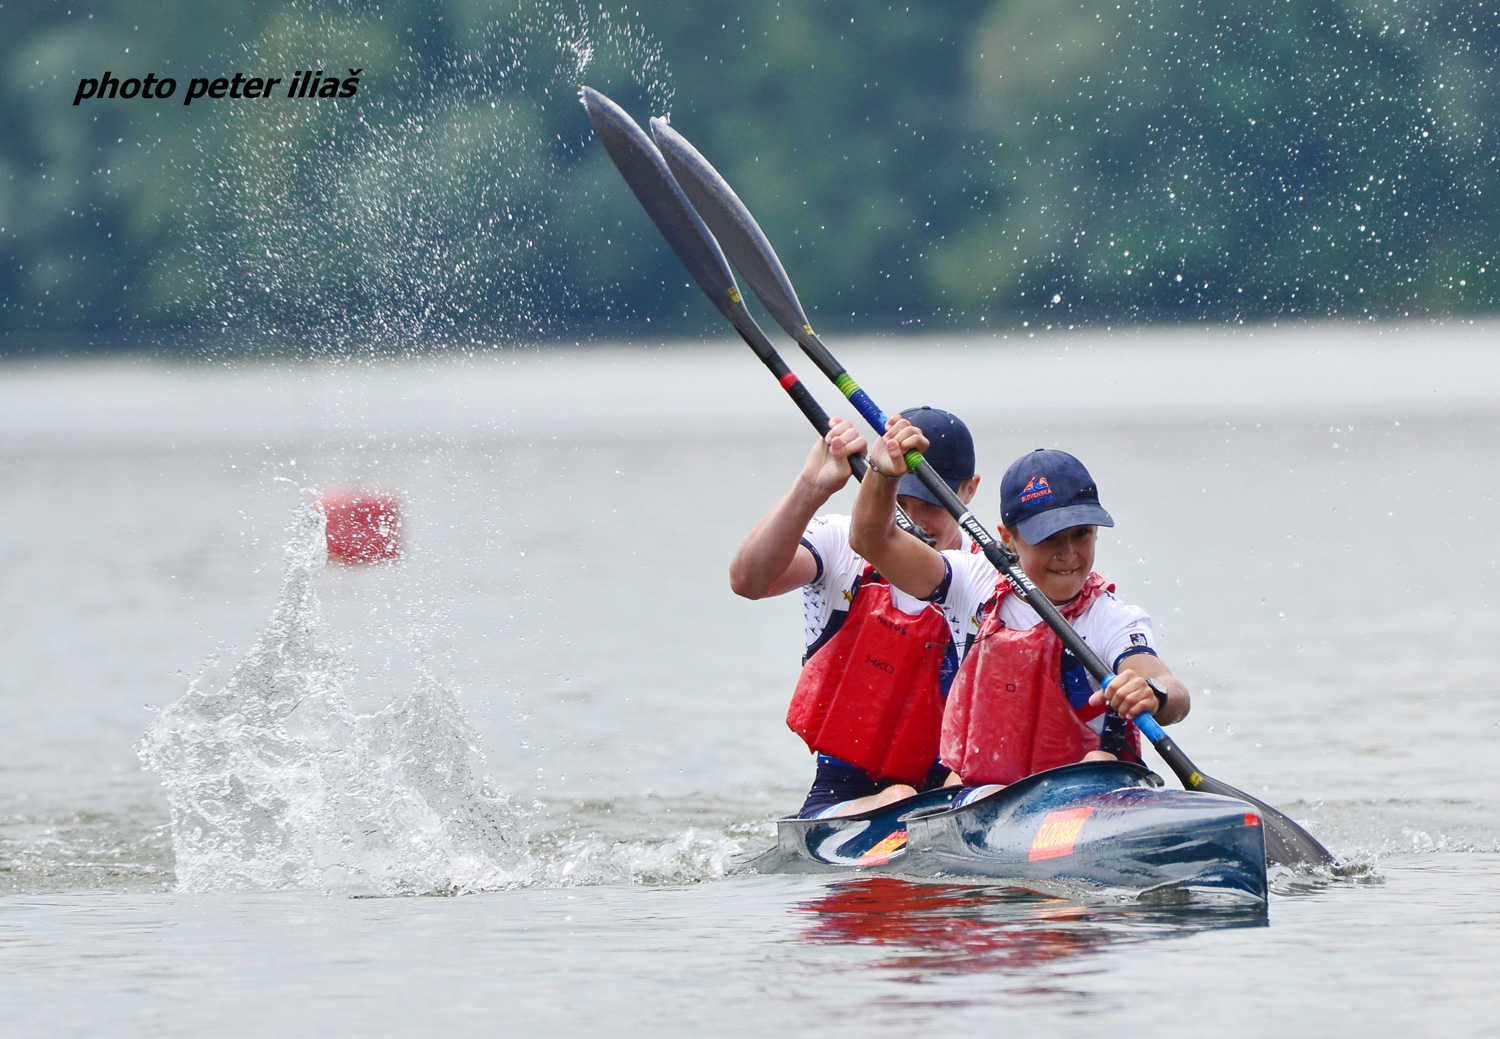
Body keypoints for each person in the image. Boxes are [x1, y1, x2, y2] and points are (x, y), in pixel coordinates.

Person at [849, 417, 1190, 787]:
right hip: (986, 799)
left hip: (1085, 797)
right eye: (1048, 538)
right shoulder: (970, 582)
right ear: (1007, 539)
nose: (1069, 554)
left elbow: (1173, 690)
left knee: (1099, 760)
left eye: (1081, 534)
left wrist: (1153, 693)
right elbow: (872, 542)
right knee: (953, 784)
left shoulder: (1111, 618)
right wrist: (883, 475)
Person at [729, 407, 981, 817]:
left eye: (931, 505)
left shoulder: (988, 572)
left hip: (961, 792)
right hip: (843, 801)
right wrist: (811, 487)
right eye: (901, 500)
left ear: (969, 491)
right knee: (898, 799)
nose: (913, 523)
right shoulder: (837, 542)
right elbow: (747, 582)